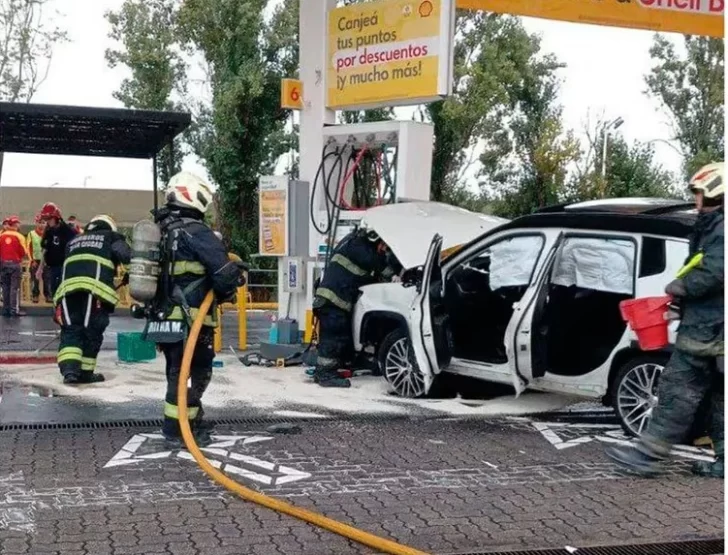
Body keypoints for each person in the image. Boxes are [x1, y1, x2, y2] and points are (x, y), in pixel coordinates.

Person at [606, 161, 725, 478]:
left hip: (708, 331)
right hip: (712, 328)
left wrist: (681, 287)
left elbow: (716, 271)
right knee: (717, 398)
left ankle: (648, 455)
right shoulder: (712, 225)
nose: (695, 198)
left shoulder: (721, 228)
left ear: (715, 191)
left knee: (677, 390)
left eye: (699, 192)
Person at [143, 172, 244, 447]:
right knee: (194, 372)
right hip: (190, 319)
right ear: (194, 196)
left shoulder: (163, 230)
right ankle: (178, 429)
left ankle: (190, 419)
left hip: (164, 318)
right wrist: (235, 279)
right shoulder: (196, 231)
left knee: (178, 372)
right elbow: (223, 274)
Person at [312, 227, 403, 388]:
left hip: (333, 300)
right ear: (374, 239)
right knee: (333, 338)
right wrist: (395, 276)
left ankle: (338, 367)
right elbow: (377, 264)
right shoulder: (361, 249)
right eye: (383, 246)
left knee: (342, 337)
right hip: (333, 301)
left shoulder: (351, 243)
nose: (383, 250)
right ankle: (325, 374)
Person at [54, 215, 130, 384]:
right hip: (94, 291)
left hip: (67, 292)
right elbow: (126, 256)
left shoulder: (74, 241)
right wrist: (132, 273)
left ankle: (70, 372)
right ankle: (85, 374)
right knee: (91, 331)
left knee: (71, 330)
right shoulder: (111, 237)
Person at [39, 202, 77, 298]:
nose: (47, 222)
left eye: (49, 219)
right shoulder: (48, 231)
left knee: (64, 291)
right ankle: (57, 310)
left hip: (65, 267)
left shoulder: (68, 231)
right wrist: (40, 268)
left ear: (56, 218)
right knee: (54, 292)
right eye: (46, 219)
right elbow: (45, 250)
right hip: (52, 267)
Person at [0, 216, 28, 317]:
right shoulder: (19, 236)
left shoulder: (1, 236)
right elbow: (24, 252)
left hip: (3, 264)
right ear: (15, 225)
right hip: (15, 264)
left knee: (5, 287)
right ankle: (14, 310)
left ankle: (5, 309)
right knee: (14, 288)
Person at [27, 213, 48, 303]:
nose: (41, 224)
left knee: (47, 278)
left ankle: (48, 295)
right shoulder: (31, 234)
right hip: (35, 260)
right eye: (39, 222)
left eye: (43, 222)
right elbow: (28, 248)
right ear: (36, 223)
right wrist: (32, 260)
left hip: (47, 260)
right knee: (35, 279)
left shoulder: (49, 233)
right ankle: (35, 295)